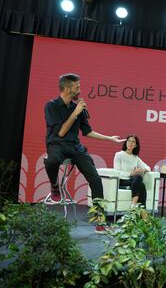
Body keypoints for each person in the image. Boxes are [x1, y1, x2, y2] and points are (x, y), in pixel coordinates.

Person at [44, 73, 124, 211]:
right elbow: (61, 132)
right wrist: (75, 113)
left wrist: (109, 138)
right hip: (57, 144)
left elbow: (87, 132)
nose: (80, 90)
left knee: (95, 179)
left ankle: (99, 217)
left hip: (74, 146)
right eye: (77, 86)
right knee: (52, 160)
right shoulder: (52, 106)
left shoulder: (78, 109)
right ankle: (54, 186)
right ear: (68, 89)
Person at [113, 135, 150, 208]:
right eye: (129, 141)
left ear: (136, 145)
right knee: (139, 181)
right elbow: (117, 172)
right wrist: (131, 173)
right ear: (126, 142)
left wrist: (142, 169)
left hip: (133, 181)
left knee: (140, 181)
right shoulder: (119, 155)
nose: (130, 143)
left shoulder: (135, 157)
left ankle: (135, 206)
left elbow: (148, 167)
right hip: (122, 180)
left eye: (133, 142)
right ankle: (138, 208)